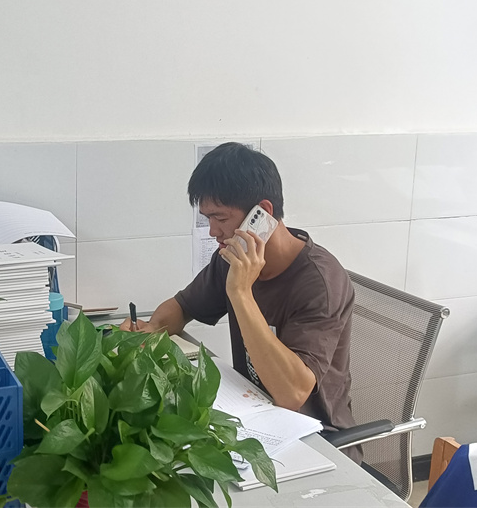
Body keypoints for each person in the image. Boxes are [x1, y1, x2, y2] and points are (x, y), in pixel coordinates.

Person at [121, 142, 360, 463]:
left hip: (316, 439)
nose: (213, 231)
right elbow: (182, 306)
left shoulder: (320, 283)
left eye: (220, 218)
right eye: (207, 218)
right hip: (254, 419)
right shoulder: (232, 258)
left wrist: (241, 292)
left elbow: (292, 394)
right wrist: (151, 329)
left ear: (262, 213)